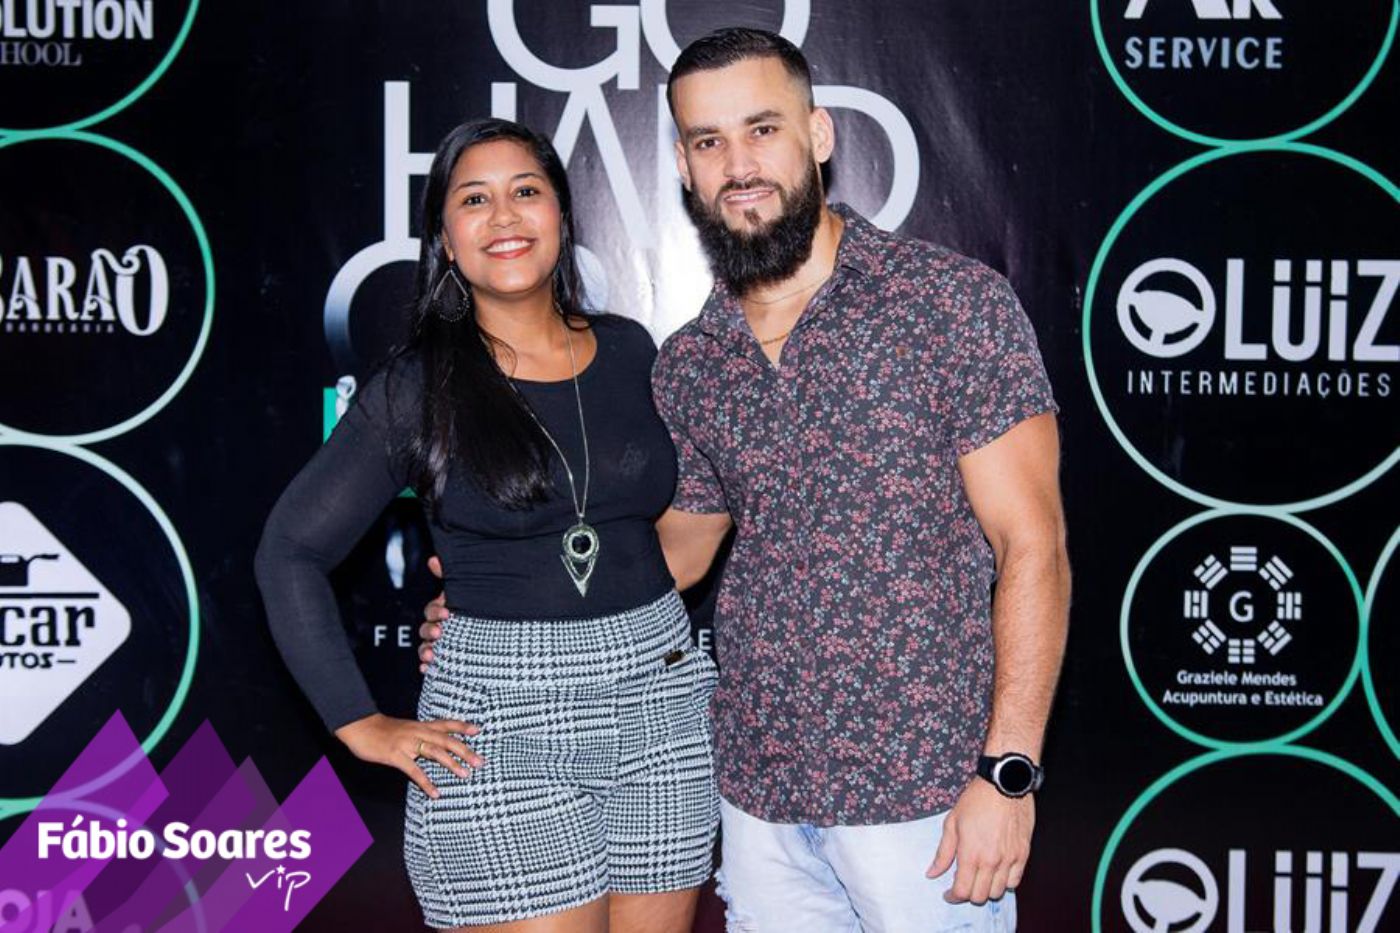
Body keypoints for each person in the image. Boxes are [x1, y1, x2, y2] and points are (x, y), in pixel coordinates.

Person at [423, 27, 1070, 932]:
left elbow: (1033, 546)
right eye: (708, 141)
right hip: (756, 797)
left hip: (925, 800)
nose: (738, 165)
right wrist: (506, 594)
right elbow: (675, 553)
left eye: (762, 129)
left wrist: (1007, 771)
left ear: (818, 135)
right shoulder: (694, 360)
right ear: (684, 168)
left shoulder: (949, 305)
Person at [255, 118, 719, 933]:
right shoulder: (417, 388)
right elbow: (289, 550)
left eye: (525, 191)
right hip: (500, 722)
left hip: (661, 702)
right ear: (445, 237)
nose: (504, 216)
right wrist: (359, 721)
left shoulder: (631, 351)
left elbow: (684, 520)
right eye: (474, 199)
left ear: (562, 215)